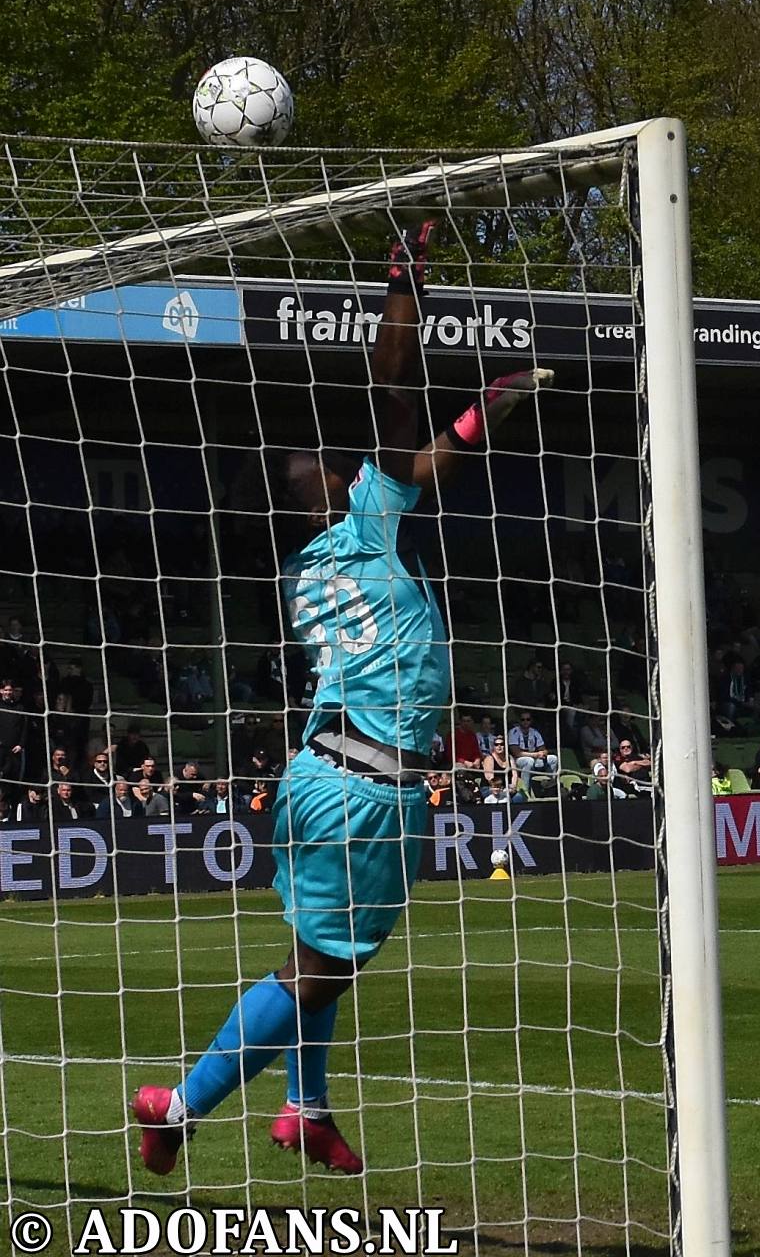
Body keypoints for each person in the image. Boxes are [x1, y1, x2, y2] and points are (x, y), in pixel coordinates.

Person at [132, 222, 551, 1177]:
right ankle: (181, 1103)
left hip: (329, 772)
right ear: (319, 499)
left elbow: (425, 457)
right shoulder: (359, 529)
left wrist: (495, 402)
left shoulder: (313, 561)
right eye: (330, 467)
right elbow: (396, 398)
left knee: (318, 949)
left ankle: (306, 1105)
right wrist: (402, 280)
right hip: (368, 788)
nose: (347, 465)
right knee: (326, 965)